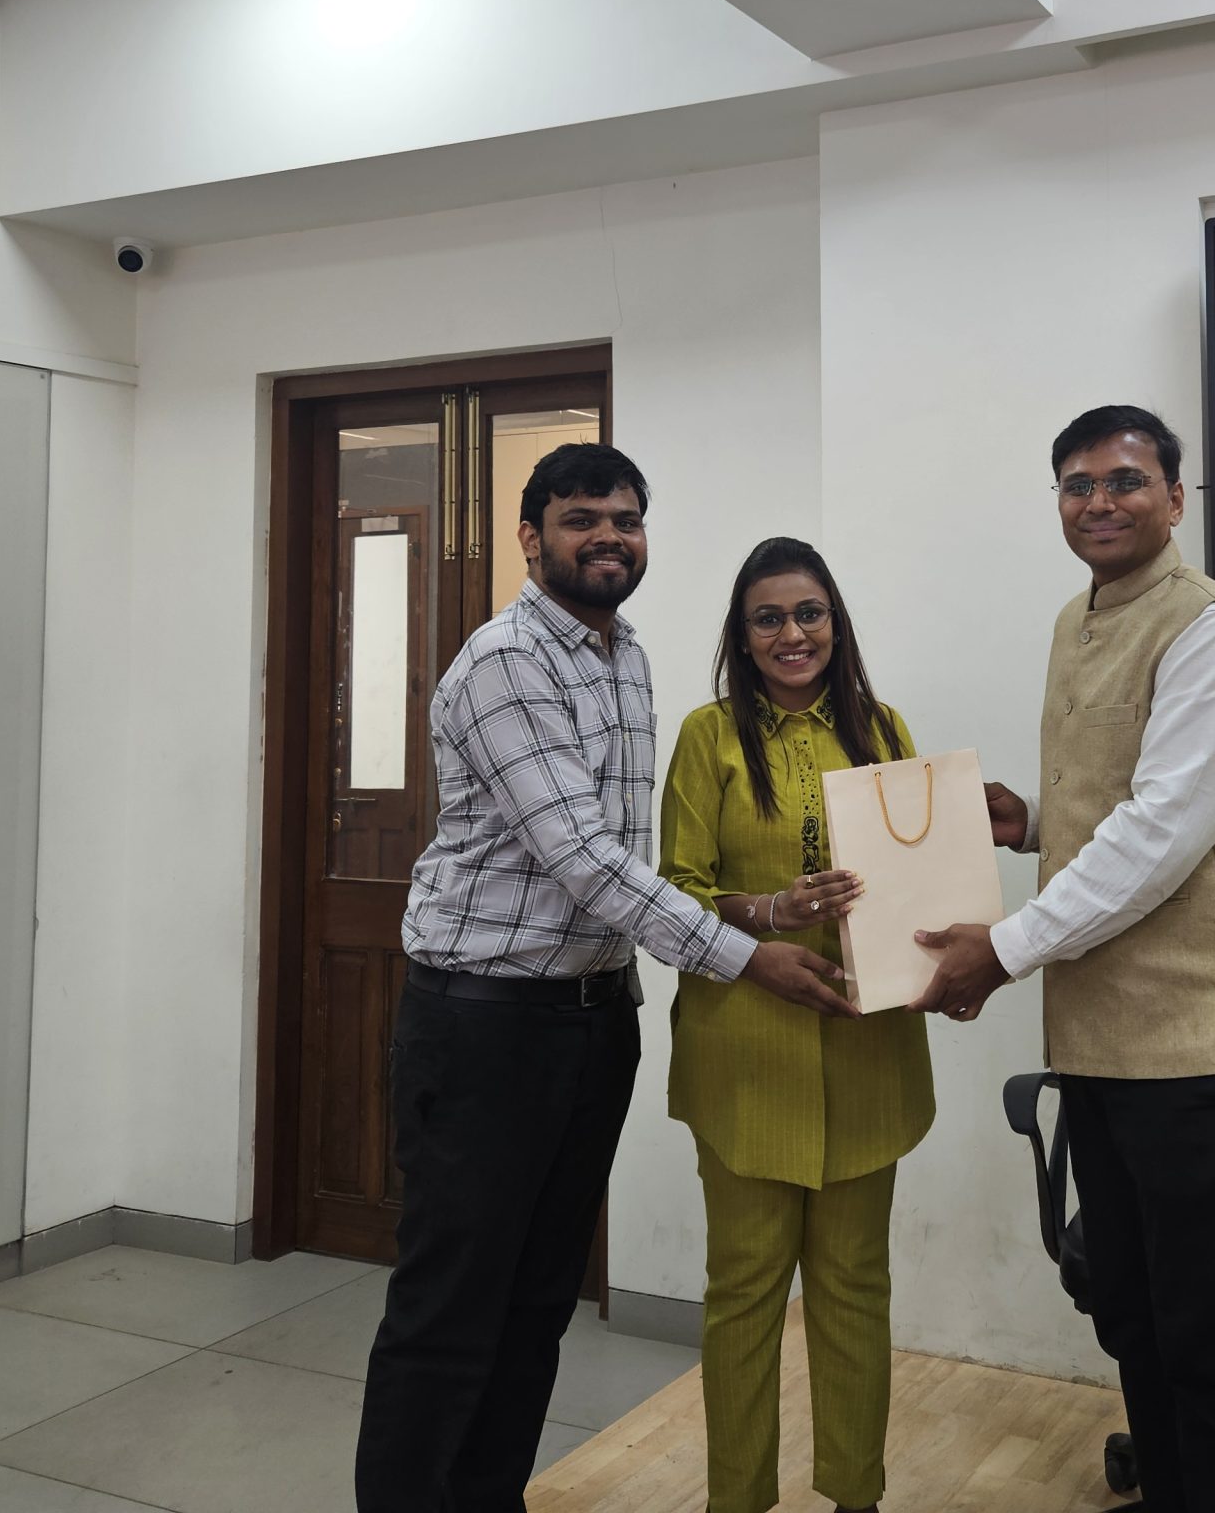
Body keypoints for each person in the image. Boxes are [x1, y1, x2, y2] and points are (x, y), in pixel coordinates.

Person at [355, 445, 856, 1513]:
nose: (608, 538)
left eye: (625, 519)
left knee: (539, 1301)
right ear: (529, 537)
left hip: (590, 1020)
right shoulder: (506, 662)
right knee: (451, 1310)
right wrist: (747, 956)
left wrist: (763, 911)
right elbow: (582, 859)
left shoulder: (623, 656)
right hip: (485, 1027)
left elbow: (631, 864)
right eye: (581, 519)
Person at [914, 404, 1215, 1513]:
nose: (1100, 502)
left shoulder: (1214, 629)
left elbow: (1165, 831)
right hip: (1099, 1038)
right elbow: (1124, 801)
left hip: (1197, 1041)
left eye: (1126, 481)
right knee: (1134, 1318)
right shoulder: (1075, 620)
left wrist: (1002, 949)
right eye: (1077, 485)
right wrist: (1032, 823)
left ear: (1176, 498)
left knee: (1207, 1338)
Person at [659, 537, 930, 1513]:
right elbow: (677, 893)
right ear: (742, 636)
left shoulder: (884, 728)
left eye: (808, 613)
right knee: (743, 1295)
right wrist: (767, 918)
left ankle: (857, 1495)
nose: (791, 634)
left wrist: (946, 955)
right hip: (747, 1053)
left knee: (855, 1290)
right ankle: (737, 1501)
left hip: (867, 1048)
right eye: (767, 618)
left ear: (835, 623)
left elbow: (917, 877)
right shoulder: (708, 737)